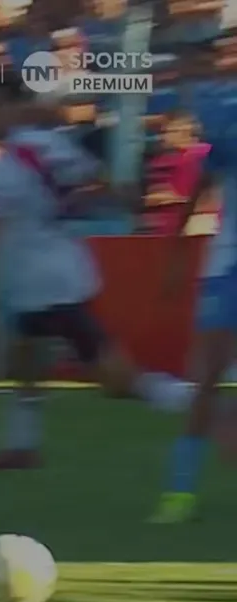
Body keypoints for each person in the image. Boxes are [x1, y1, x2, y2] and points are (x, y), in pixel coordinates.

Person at [0, 71, 194, 471]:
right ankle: (22, 447)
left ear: (11, 107)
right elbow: (93, 177)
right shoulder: (43, 146)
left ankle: (197, 400)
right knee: (22, 358)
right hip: (43, 276)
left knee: (114, 378)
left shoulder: (7, 165)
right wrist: (113, 197)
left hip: (47, 284)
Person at [150, 96, 237, 523]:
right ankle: (179, 493)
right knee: (206, 378)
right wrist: (178, 256)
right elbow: (200, 189)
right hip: (228, 266)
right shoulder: (230, 123)